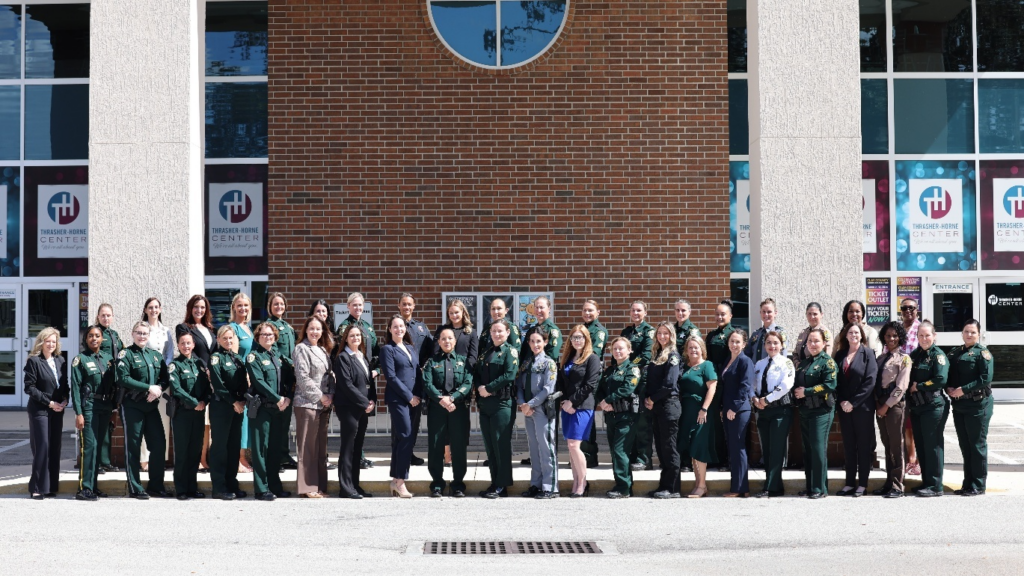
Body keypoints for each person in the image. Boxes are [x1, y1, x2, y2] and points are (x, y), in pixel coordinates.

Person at [116, 321, 171, 499]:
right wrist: (148, 387)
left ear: (149, 336)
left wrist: (158, 390)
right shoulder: (126, 354)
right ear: (132, 334)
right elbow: (122, 378)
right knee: (133, 447)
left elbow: (165, 378)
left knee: (159, 445)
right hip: (132, 406)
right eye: (138, 333)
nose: (142, 336)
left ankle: (156, 485)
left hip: (151, 407)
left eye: (145, 334)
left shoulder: (155, 355)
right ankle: (135, 487)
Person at [424, 328, 474, 497]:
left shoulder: (463, 361)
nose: (446, 341)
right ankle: (437, 484)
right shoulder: (431, 362)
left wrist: (452, 398)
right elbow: (428, 384)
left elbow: (468, 383)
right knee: (436, 446)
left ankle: (458, 484)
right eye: (443, 339)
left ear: (455, 341)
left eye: (450, 338)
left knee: (459, 446)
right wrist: (442, 400)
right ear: (439, 342)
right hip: (437, 409)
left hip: (458, 409)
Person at [947, 320, 994, 496]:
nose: (969, 335)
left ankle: (978, 484)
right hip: (960, 405)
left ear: (979, 334)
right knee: (965, 446)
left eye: (973, 332)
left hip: (978, 405)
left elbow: (985, 379)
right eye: (966, 331)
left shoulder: (983, 354)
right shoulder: (955, 352)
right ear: (962, 333)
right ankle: (968, 483)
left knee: (977, 446)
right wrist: (948, 388)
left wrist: (963, 389)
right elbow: (948, 373)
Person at [246, 321, 292, 501]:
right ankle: (261, 488)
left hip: (278, 408)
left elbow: (290, 373)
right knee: (260, 450)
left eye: (271, 335)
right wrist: (278, 398)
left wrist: (287, 396)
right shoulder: (253, 356)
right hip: (262, 408)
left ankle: (275, 485)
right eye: (264, 334)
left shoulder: (277, 355)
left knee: (274, 449)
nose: (268, 337)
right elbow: (258, 382)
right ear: (257, 337)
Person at [292, 316, 335, 498]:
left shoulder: (323, 350)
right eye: (311, 328)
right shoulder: (302, 348)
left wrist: (330, 395)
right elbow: (302, 378)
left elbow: (329, 374)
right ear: (305, 330)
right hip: (307, 403)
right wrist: (321, 396)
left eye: (318, 329)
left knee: (319, 448)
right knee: (307, 448)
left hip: (323, 405)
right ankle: (307, 487)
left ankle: (318, 486)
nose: (315, 332)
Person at [70, 326, 114, 500]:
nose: (94, 338)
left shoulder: (108, 359)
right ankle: (84, 488)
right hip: (88, 407)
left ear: (102, 338)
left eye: (97, 336)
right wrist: (78, 413)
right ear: (86, 339)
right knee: (89, 447)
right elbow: (75, 388)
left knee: (98, 447)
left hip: (104, 407)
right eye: (90, 336)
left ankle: (93, 486)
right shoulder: (79, 360)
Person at [475, 319, 518, 498]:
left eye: (500, 331)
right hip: (485, 404)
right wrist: (479, 388)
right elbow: (476, 373)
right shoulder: (486, 352)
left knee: (501, 444)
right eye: (494, 331)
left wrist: (489, 388)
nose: (497, 334)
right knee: (490, 446)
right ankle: (495, 482)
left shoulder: (510, 351)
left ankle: (503, 485)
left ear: (508, 332)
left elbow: (510, 375)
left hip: (502, 404)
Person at [834, 322, 878, 497]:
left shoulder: (868, 354)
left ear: (862, 336)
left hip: (862, 408)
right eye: (850, 332)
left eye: (857, 332)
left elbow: (870, 381)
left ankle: (863, 484)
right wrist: (843, 402)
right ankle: (849, 483)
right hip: (844, 408)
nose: (853, 335)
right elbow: (835, 381)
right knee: (849, 446)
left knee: (863, 446)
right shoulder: (840, 355)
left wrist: (853, 402)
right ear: (846, 335)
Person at [792, 328, 837, 499]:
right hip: (805, 411)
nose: (812, 344)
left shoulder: (828, 362)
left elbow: (830, 385)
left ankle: (820, 488)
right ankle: (811, 486)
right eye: (810, 341)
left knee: (818, 449)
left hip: (821, 411)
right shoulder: (804, 363)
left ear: (824, 343)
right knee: (808, 450)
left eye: (816, 341)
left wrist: (807, 391)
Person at [333, 324, 377, 499]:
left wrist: (372, 399)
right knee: (348, 448)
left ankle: (355, 485)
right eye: (351, 336)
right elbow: (346, 384)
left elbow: (369, 381)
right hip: (349, 408)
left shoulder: (362, 357)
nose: (355, 338)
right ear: (345, 338)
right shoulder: (343, 358)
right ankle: (345, 487)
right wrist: (365, 402)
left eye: (358, 335)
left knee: (357, 449)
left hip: (362, 408)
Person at [24, 327, 69, 499]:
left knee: (54, 447)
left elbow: (65, 386)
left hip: (57, 409)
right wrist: (49, 402)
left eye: (54, 341)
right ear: (41, 342)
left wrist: (65, 400)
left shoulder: (60, 360)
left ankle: (49, 486)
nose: (51, 344)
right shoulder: (34, 361)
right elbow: (30, 387)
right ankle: (37, 487)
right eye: (48, 341)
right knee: (42, 446)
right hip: (40, 409)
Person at [907, 321, 949, 497]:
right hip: (917, 407)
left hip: (933, 406)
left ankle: (935, 486)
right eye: (921, 335)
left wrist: (920, 386)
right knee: (922, 446)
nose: (924, 339)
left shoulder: (938, 356)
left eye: (927, 335)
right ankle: (926, 482)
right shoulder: (916, 354)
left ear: (934, 336)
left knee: (933, 446)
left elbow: (940, 379)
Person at [167, 331, 211, 500]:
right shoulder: (175, 365)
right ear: (178, 345)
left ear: (193, 345)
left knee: (195, 451)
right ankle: (181, 489)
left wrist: (204, 402)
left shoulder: (200, 364)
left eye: (189, 343)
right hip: (182, 414)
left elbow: (207, 388)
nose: (186, 346)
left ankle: (192, 487)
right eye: (182, 343)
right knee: (182, 452)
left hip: (198, 414)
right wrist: (194, 402)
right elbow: (176, 389)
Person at [558, 325, 601, 498]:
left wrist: (573, 402)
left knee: (575, 445)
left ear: (586, 339)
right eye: (574, 337)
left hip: (582, 406)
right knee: (570, 446)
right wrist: (563, 401)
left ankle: (582, 482)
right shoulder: (568, 357)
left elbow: (590, 384)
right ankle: (575, 481)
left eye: (580, 337)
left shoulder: (592, 358)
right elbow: (562, 382)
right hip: (567, 406)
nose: (577, 340)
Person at [516, 327, 559, 499]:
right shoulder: (526, 363)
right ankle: (536, 484)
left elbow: (548, 389)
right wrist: (522, 404)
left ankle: (550, 487)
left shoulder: (549, 363)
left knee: (546, 448)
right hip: (528, 411)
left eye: (539, 341)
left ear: (545, 342)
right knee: (534, 449)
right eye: (532, 341)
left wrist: (531, 404)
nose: (535, 344)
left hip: (542, 410)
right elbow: (519, 386)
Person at [751, 331, 795, 498]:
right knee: (767, 450)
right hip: (763, 411)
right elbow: (752, 384)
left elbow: (786, 385)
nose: (772, 346)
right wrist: (755, 398)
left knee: (777, 449)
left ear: (781, 345)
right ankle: (773, 484)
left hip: (779, 410)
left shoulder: (786, 363)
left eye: (776, 343)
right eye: (769, 343)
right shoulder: (760, 364)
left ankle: (772, 487)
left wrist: (767, 399)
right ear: (764, 345)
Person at [176, 294, 217, 474]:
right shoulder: (184, 327)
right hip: (196, 377)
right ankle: (199, 460)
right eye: (196, 307)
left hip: (211, 379)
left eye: (202, 307)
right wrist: (202, 368)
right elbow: (188, 350)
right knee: (199, 418)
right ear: (190, 308)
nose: (199, 310)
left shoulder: (210, 328)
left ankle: (204, 458)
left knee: (207, 422)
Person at [381, 314, 420, 498]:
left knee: (403, 439)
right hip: (398, 399)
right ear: (390, 329)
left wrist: (418, 395)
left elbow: (416, 373)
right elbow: (391, 377)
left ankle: (395, 479)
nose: (399, 329)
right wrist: (408, 396)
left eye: (401, 326)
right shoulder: (387, 349)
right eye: (395, 327)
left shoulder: (411, 348)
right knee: (405, 436)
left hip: (414, 399)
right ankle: (400, 481)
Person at [596, 337, 639, 498]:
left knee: (620, 450)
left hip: (626, 416)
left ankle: (624, 488)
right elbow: (600, 388)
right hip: (611, 415)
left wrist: (607, 400)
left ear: (629, 350)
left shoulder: (632, 369)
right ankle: (623, 483)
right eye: (615, 349)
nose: (618, 351)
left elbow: (628, 388)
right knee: (616, 452)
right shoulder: (610, 371)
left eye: (621, 348)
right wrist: (602, 401)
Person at [208, 326, 248, 500]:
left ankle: (232, 483)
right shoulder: (216, 358)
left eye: (231, 338)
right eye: (225, 338)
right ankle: (219, 486)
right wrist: (234, 402)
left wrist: (243, 401)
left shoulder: (238, 358)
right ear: (218, 339)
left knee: (233, 447)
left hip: (237, 407)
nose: (228, 341)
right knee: (219, 448)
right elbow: (218, 385)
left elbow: (243, 383)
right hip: (222, 407)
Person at [676, 336, 719, 498]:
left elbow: (712, 388)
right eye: (690, 347)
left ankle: (702, 485)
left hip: (700, 412)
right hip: (686, 412)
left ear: (702, 349)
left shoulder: (707, 365)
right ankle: (698, 483)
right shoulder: (686, 368)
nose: (693, 350)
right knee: (692, 447)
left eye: (696, 347)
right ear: (686, 350)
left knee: (699, 446)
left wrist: (704, 409)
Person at [873, 321, 911, 498]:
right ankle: (889, 482)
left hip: (894, 406)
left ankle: (897, 485)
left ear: (900, 337)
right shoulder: (881, 358)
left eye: (895, 336)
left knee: (896, 446)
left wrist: (886, 406)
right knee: (887, 445)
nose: (891, 339)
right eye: (888, 336)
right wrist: (878, 406)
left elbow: (901, 387)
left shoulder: (904, 359)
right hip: (880, 405)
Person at [643, 322, 682, 499]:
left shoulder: (672, 356)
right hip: (658, 407)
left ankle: (673, 488)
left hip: (668, 406)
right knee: (660, 448)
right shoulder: (658, 354)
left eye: (666, 333)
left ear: (671, 335)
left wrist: (652, 399)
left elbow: (669, 384)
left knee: (669, 448)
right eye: (659, 333)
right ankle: (663, 485)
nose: (662, 336)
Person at [141, 297, 175, 472]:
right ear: (146, 310)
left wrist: (164, 372)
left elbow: (169, 353)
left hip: (163, 381)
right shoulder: (142, 329)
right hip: (147, 380)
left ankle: (160, 458)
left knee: (162, 419)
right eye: (150, 307)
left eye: (156, 307)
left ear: (160, 309)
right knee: (146, 419)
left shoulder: (166, 331)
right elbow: (141, 351)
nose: (154, 310)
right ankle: (145, 459)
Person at [719, 329, 754, 497]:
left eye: (738, 342)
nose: (734, 344)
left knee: (738, 447)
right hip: (728, 410)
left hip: (739, 411)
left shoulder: (745, 361)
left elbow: (745, 386)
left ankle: (740, 488)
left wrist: (734, 407)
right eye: (732, 341)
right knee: (733, 447)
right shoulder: (729, 360)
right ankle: (738, 487)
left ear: (744, 344)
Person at [398, 293, 432, 467]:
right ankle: (400, 454)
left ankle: (409, 453)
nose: (407, 307)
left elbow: (431, 350)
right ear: (399, 306)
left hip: (417, 381)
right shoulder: (395, 326)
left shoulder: (421, 328)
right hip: (401, 380)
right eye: (404, 304)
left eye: (409, 304)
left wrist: (425, 367)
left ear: (414, 306)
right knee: (401, 420)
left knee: (414, 419)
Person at [267, 293, 298, 472]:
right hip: (276, 376)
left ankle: (284, 454)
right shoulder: (269, 326)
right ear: (270, 306)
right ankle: (275, 457)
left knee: (286, 419)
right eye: (275, 304)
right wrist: (290, 363)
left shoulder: (288, 326)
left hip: (289, 378)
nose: (279, 307)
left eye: (281, 304)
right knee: (276, 420)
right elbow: (275, 352)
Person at [621, 300, 654, 472]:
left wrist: (626, 365)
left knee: (642, 422)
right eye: (633, 310)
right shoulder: (626, 331)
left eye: (639, 310)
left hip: (641, 381)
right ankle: (633, 457)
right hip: (627, 381)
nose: (635, 313)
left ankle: (644, 459)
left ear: (645, 313)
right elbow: (618, 350)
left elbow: (646, 356)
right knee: (630, 420)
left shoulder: (649, 332)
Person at [704, 300, 735, 471]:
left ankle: (727, 460)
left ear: (730, 316)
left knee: (727, 422)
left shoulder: (733, 334)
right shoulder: (711, 335)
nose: (719, 317)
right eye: (717, 314)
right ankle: (716, 457)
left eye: (723, 314)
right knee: (715, 421)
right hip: (713, 382)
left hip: (726, 382)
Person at [94, 304, 123, 474]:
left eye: (109, 315)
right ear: (98, 317)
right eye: (103, 315)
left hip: (113, 383)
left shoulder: (115, 334)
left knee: (108, 423)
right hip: (101, 382)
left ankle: (105, 460)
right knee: (97, 425)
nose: (106, 318)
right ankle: (96, 462)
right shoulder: (96, 333)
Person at [229, 292, 255, 473]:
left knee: (247, 420)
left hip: (251, 380)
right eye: (239, 305)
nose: (242, 309)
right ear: (233, 308)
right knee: (240, 420)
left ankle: (243, 457)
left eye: (246, 305)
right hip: (241, 379)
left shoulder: (248, 328)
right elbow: (234, 355)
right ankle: (238, 459)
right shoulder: (232, 328)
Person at [580, 299, 607, 468]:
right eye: (585, 310)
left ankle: (589, 457)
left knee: (587, 416)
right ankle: (580, 455)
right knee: (581, 417)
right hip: (579, 378)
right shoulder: (581, 329)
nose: (587, 313)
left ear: (598, 313)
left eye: (591, 310)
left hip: (590, 378)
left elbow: (593, 353)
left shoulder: (599, 331)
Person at [899, 298, 922, 477]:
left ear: (917, 310)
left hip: (916, 384)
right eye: (905, 308)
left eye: (911, 308)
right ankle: (910, 460)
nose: (908, 311)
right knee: (906, 425)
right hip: (900, 384)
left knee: (917, 425)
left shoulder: (921, 330)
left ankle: (918, 461)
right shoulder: (897, 330)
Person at [745, 298, 786, 363]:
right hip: (755, 371)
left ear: (775, 313)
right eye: (763, 312)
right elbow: (747, 355)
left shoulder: (780, 333)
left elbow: (783, 357)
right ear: (760, 313)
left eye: (769, 312)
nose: (766, 314)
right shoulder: (756, 334)